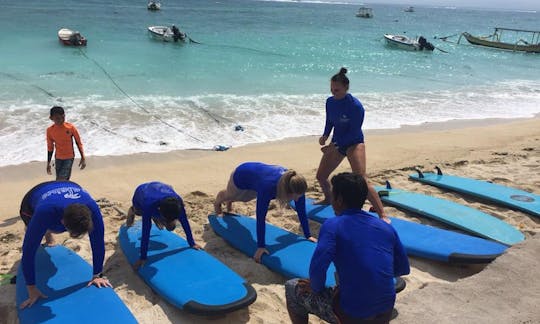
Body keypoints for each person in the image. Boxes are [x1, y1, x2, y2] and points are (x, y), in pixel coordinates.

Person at [285, 172, 410, 324]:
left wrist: (314, 287)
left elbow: (318, 269)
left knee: (292, 288)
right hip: (385, 312)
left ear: (339, 200)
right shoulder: (385, 227)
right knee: (342, 278)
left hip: (352, 316)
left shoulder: (333, 225)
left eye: (332, 196)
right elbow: (403, 268)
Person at [19, 181, 110, 309]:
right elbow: (28, 251)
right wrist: (31, 289)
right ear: (62, 221)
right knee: (35, 232)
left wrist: (97, 275)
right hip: (32, 200)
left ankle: (46, 233)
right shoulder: (44, 212)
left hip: (69, 185)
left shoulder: (92, 208)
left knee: (46, 226)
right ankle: (46, 233)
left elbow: (98, 241)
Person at [316, 67, 389, 223]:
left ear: (346, 88)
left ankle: (382, 213)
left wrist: (332, 145)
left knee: (361, 179)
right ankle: (328, 199)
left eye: (337, 90)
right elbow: (330, 120)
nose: (333, 92)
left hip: (354, 143)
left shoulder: (355, 106)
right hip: (337, 142)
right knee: (321, 176)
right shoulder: (330, 102)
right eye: (331, 89)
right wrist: (325, 135)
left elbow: (353, 131)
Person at [214, 162, 317, 263]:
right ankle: (218, 203)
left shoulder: (297, 187)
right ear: (287, 191)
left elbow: (301, 210)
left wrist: (308, 235)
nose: (298, 199)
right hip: (242, 174)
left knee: (245, 198)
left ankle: (230, 202)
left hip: (257, 178)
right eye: (295, 196)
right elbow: (260, 216)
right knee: (232, 195)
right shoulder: (268, 187)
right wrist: (261, 246)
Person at [126, 181, 202, 270]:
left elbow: (184, 221)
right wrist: (143, 257)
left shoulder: (178, 203)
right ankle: (132, 211)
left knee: (171, 228)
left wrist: (191, 243)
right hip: (142, 192)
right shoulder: (148, 205)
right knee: (139, 212)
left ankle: (156, 217)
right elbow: (146, 230)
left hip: (162, 189)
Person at [46, 106, 86, 180]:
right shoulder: (50, 130)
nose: (61, 120)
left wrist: (83, 157)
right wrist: (48, 163)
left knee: (61, 179)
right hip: (58, 158)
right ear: (51, 118)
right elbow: (50, 147)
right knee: (61, 178)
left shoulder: (70, 128)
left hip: (69, 157)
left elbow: (78, 142)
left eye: (63, 117)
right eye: (57, 118)